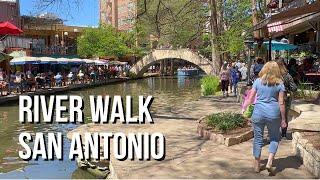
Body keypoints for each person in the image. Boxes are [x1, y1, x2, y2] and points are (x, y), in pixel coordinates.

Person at [242, 61, 287, 174]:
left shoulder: (258, 81)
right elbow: (281, 103)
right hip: (273, 114)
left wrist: (244, 108)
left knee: (258, 139)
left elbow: (251, 98)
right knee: (274, 138)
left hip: (258, 113)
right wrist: (283, 119)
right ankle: (269, 162)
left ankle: (257, 164)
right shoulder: (280, 84)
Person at [276, 58, 297, 138]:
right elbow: (294, 88)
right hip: (285, 97)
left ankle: (274, 132)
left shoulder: (273, 75)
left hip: (274, 98)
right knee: (284, 115)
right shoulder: (287, 75)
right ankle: (284, 133)